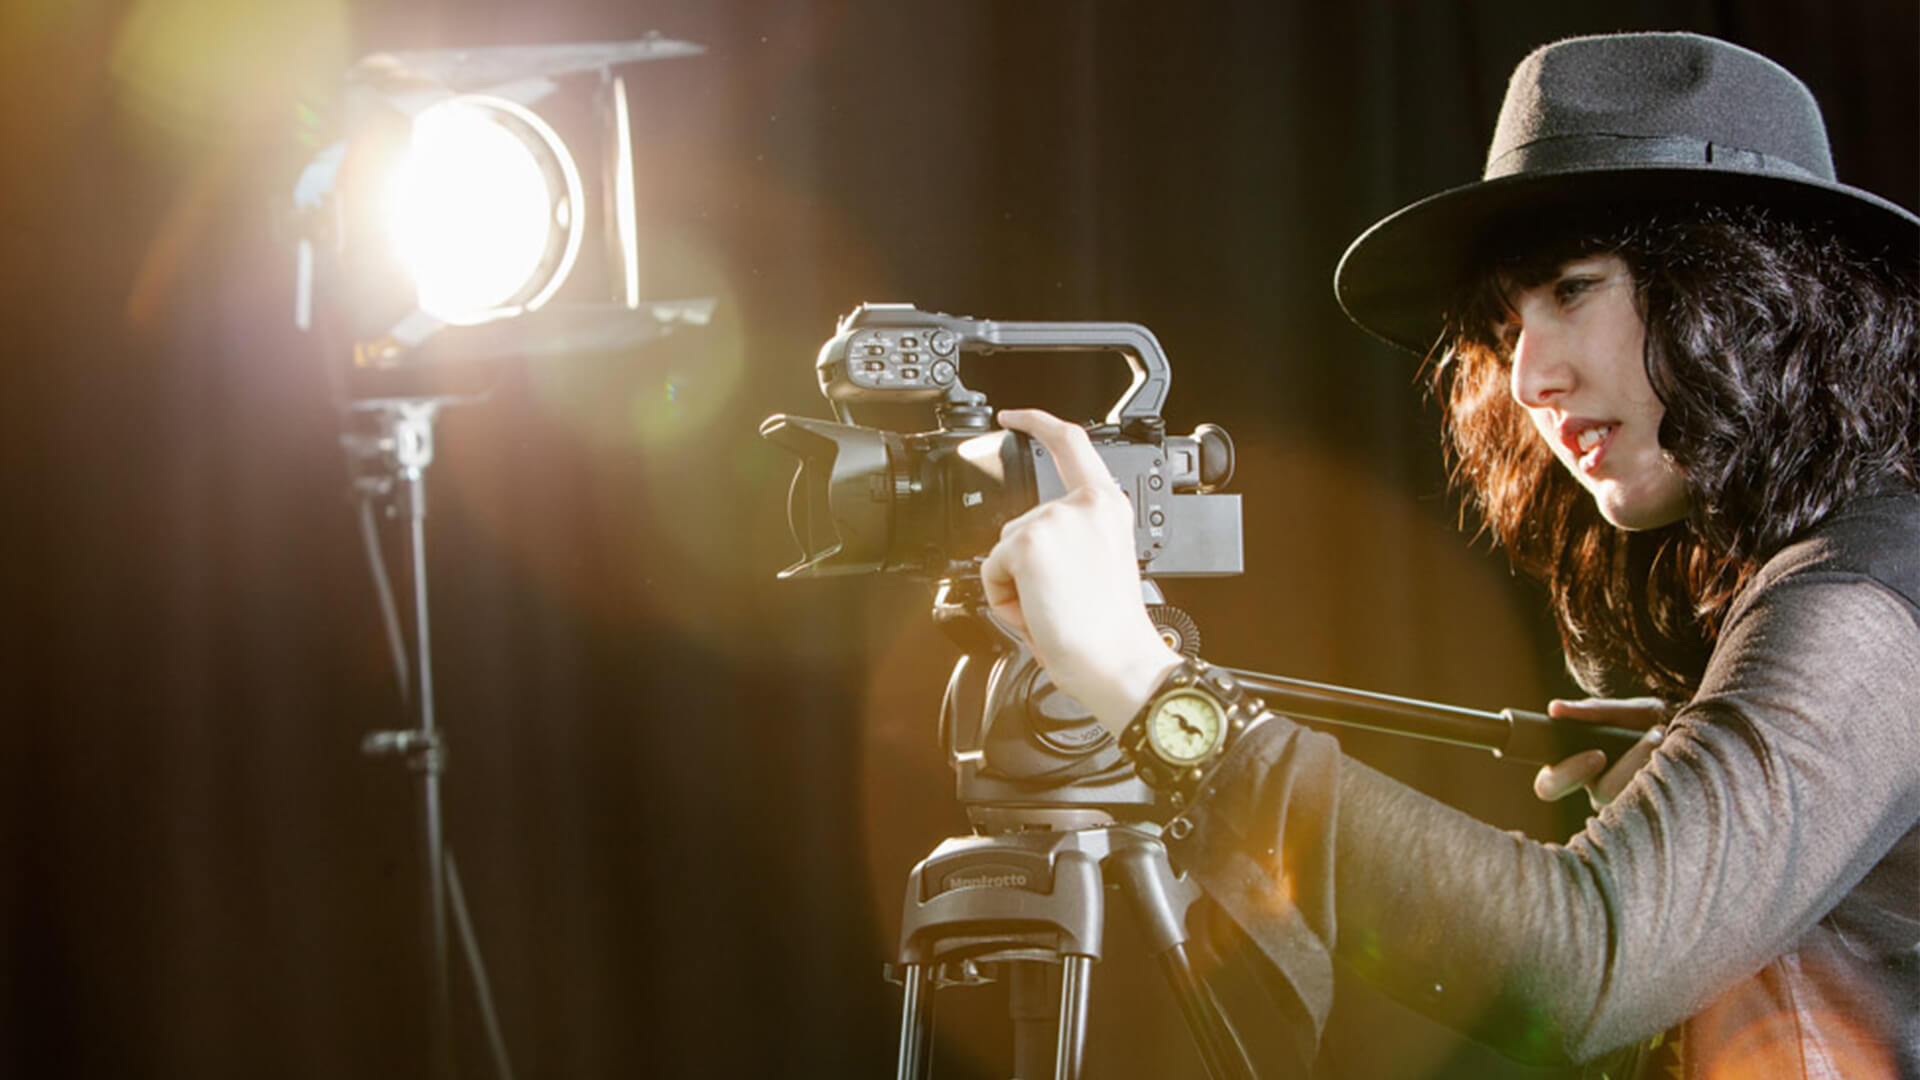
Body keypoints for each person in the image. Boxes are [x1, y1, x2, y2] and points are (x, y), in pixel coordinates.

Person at [979, 32, 1919, 1079]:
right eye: (1504, 323)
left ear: (1746, 290)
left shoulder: (1873, 592)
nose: (1527, 378)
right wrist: (1706, 824)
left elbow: (1583, 963)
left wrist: (1150, 693)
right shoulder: (1819, 578)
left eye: (1570, 288)